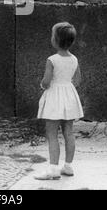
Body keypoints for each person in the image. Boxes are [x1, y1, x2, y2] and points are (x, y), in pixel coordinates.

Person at [34, 22, 84, 180]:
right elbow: (78, 79)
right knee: (69, 132)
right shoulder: (74, 59)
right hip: (69, 96)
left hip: (55, 98)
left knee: (52, 133)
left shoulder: (52, 60)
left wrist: (42, 85)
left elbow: (47, 81)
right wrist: (67, 87)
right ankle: (68, 166)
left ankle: (53, 169)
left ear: (55, 40)